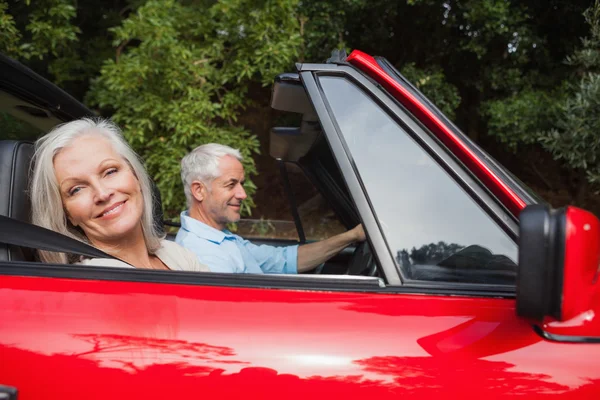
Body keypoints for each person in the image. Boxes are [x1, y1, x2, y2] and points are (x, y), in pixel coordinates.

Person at [30, 118, 208, 272]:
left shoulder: (176, 254)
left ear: (135, 176)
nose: (102, 193)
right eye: (77, 189)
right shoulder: (89, 283)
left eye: (110, 172)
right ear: (67, 215)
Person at [176, 143, 366, 274]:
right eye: (231, 184)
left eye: (241, 184)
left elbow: (284, 260)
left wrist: (352, 236)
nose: (242, 194)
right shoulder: (203, 254)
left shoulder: (221, 239)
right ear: (199, 191)